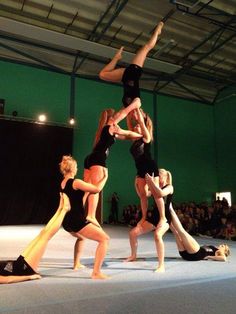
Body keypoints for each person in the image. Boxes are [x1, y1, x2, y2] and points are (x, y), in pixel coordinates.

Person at [83, 97, 143, 227]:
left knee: (86, 189)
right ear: (112, 119)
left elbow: (126, 135)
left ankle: (77, 210)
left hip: (90, 158)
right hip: (98, 159)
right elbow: (123, 114)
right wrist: (134, 105)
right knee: (94, 189)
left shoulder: (107, 132)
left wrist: (138, 134)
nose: (116, 121)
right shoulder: (111, 125)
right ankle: (91, 215)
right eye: (114, 118)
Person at [60, 155, 111, 279]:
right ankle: (96, 272)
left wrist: (86, 190)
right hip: (76, 220)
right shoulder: (76, 182)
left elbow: (79, 200)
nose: (77, 169)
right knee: (104, 239)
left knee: (81, 238)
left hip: (66, 221)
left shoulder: (63, 183)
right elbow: (97, 189)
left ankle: (76, 264)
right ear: (72, 169)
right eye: (76, 167)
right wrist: (105, 177)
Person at [0, 193, 71, 284]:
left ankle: (60, 209)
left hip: (18, 263)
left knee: (42, 233)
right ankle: (64, 210)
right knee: (45, 237)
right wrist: (29, 277)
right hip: (24, 269)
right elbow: (7, 280)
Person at [99, 21, 164, 108]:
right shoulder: (136, 104)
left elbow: (122, 113)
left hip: (125, 78)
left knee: (102, 75)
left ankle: (117, 58)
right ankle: (157, 32)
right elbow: (127, 113)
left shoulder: (126, 106)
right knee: (146, 48)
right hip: (133, 73)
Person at [125, 168, 173, 273]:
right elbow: (144, 194)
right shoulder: (154, 188)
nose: (156, 178)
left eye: (158, 176)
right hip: (154, 218)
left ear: (164, 177)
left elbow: (160, 193)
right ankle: (133, 255)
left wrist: (151, 182)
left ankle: (161, 265)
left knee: (157, 235)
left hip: (164, 217)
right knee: (133, 233)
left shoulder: (169, 187)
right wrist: (137, 185)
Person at [128, 107, 166, 227]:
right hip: (140, 169)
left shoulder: (146, 138)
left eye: (137, 126)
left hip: (149, 167)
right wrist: (129, 111)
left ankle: (163, 217)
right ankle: (144, 217)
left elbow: (141, 123)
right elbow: (129, 124)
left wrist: (138, 111)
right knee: (143, 195)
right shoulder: (134, 139)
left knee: (155, 194)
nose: (135, 127)